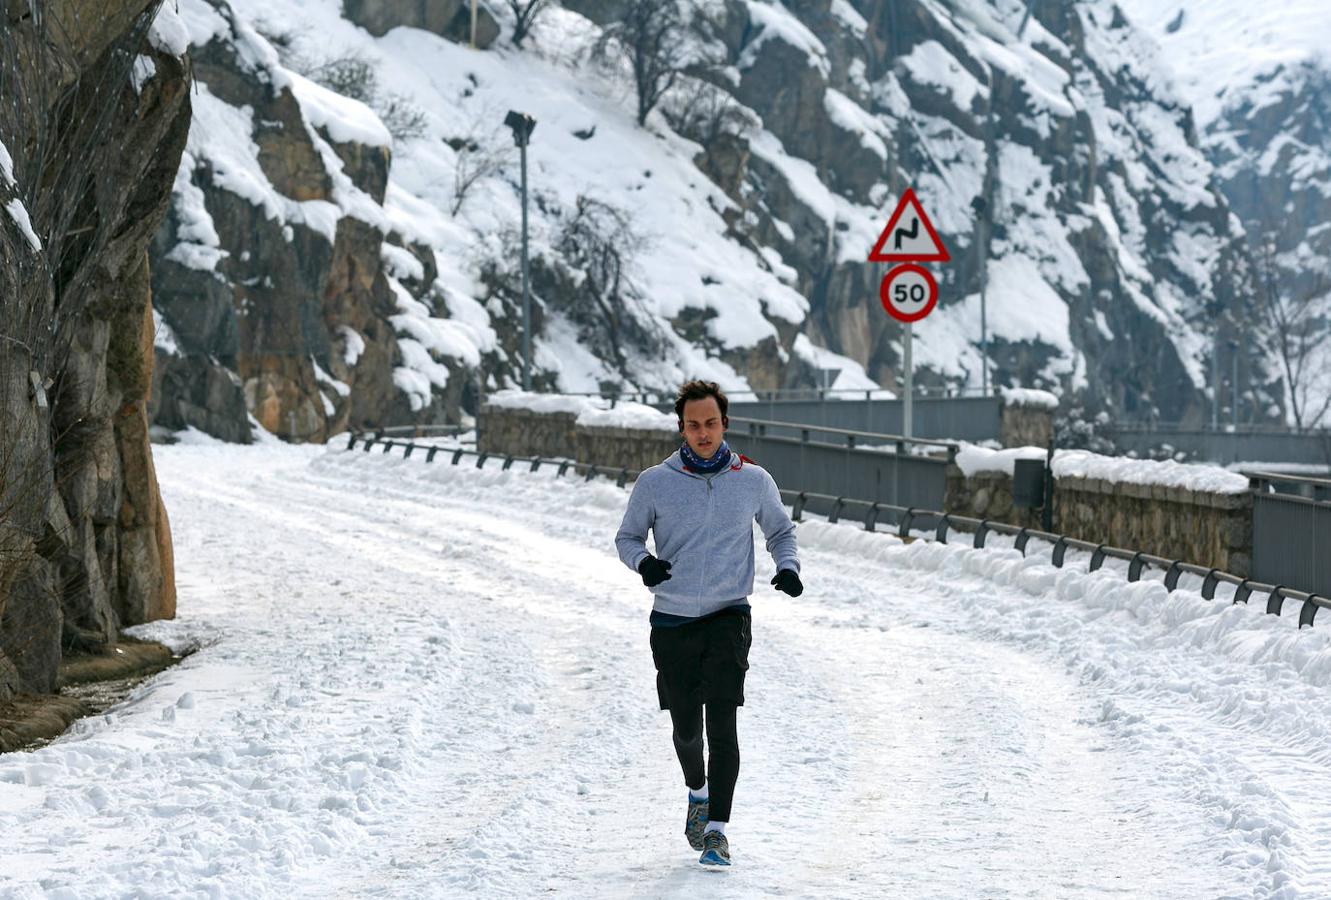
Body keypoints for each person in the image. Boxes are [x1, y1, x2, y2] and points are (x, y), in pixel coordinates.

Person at [614, 379, 803, 867]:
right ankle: (697, 793)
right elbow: (628, 538)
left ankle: (717, 829)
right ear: (682, 427)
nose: (703, 433)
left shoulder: (752, 480)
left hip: (728, 615)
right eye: (694, 425)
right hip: (672, 619)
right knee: (686, 729)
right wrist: (645, 564)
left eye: (711, 423)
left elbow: (781, 530)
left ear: (725, 424)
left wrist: (788, 567)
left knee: (722, 721)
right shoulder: (655, 482)